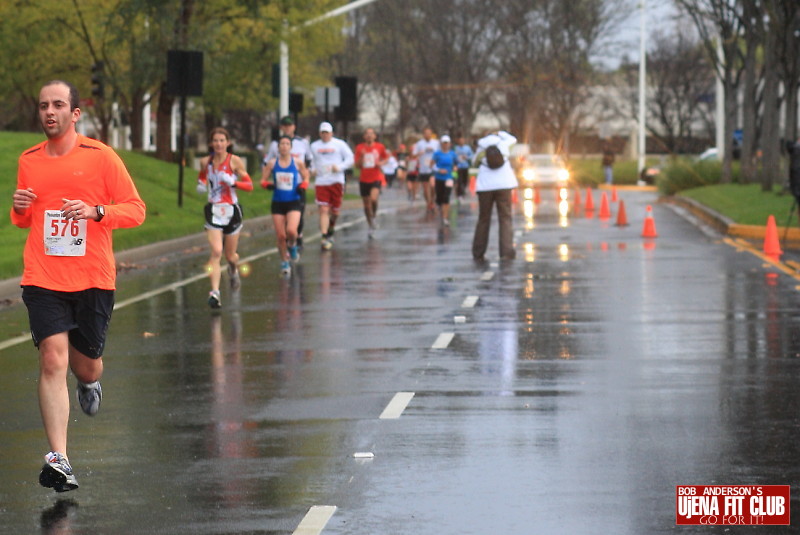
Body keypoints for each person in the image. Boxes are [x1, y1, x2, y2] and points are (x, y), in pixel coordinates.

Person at [11, 80, 146, 492]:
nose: (49, 112)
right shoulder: (29, 159)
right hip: (43, 277)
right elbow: (24, 219)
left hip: (92, 279)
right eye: (42, 105)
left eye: (57, 105)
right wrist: (19, 210)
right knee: (53, 358)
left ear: (75, 113)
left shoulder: (101, 157)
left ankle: (89, 381)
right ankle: (60, 459)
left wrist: (96, 211)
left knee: (83, 363)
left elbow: (136, 210)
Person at [196, 127, 253, 309]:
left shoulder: (235, 161)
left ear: (228, 143)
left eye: (222, 140)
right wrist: (201, 183)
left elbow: (250, 185)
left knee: (230, 256)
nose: (219, 144)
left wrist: (234, 182)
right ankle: (215, 292)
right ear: (211, 143)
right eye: (216, 141)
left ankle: (233, 268)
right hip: (213, 210)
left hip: (231, 211)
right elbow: (203, 175)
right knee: (216, 251)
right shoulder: (205, 161)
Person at [261, 135, 309, 276]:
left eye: (287, 144)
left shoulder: (297, 162)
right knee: (281, 236)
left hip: (293, 200)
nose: (284, 146)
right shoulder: (272, 163)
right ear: (278, 147)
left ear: (291, 147)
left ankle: (293, 246)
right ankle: (284, 262)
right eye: (282, 143)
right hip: (278, 203)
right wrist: (267, 185)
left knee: (292, 231)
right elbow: (262, 180)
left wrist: (304, 185)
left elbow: (306, 176)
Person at [265, 116, 312, 248]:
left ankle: (297, 235)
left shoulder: (302, 142)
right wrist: (267, 180)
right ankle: (287, 240)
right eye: (284, 126)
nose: (287, 128)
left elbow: (309, 159)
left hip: (298, 185)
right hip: (280, 186)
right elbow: (267, 162)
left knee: (299, 213)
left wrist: (305, 179)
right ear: (281, 127)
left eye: (289, 125)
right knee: (283, 218)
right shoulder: (275, 144)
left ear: (294, 127)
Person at [471, 130, 518, 261]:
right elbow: (513, 139)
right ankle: (506, 251)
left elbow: (474, 163)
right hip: (504, 184)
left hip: (485, 186)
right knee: (505, 218)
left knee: (483, 219)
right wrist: (501, 133)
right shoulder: (504, 144)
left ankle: (478, 252)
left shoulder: (481, 147)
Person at [309, 121, 354, 250]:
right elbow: (311, 161)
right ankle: (324, 237)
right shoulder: (314, 146)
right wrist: (312, 170)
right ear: (319, 133)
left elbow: (350, 158)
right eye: (322, 133)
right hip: (321, 181)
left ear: (331, 133)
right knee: (323, 209)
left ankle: (331, 227)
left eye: (327, 133)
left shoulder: (339, 144)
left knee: (335, 211)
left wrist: (339, 167)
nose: (325, 135)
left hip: (336, 181)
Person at [354, 127, 389, 238]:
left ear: (375, 136)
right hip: (364, 179)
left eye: (371, 134)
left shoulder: (379, 147)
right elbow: (357, 165)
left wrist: (381, 163)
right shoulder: (359, 148)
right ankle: (370, 225)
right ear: (364, 136)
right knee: (366, 205)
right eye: (367, 134)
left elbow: (386, 157)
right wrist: (362, 156)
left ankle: (373, 216)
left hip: (376, 177)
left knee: (373, 199)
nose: (369, 136)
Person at [431, 135, 458, 225]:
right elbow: (431, 165)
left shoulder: (452, 154)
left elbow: (455, 164)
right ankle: (439, 207)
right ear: (441, 144)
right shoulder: (437, 154)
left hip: (449, 177)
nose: (446, 145)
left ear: (450, 144)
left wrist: (454, 168)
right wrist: (438, 170)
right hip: (439, 177)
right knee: (439, 197)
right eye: (444, 143)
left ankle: (445, 217)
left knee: (446, 197)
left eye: (447, 143)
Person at [412, 127, 441, 212]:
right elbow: (413, 155)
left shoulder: (436, 143)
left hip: (433, 168)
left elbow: (441, 153)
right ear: (423, 134)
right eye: (425, 133)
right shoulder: (419, 144)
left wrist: (433, 151)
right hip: (423, 168)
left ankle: (432, 201)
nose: (427, 135)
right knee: (425, 188)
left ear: (431, 134)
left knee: (433, 186)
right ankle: (428, 203)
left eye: (429, 133)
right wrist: (419, 153)